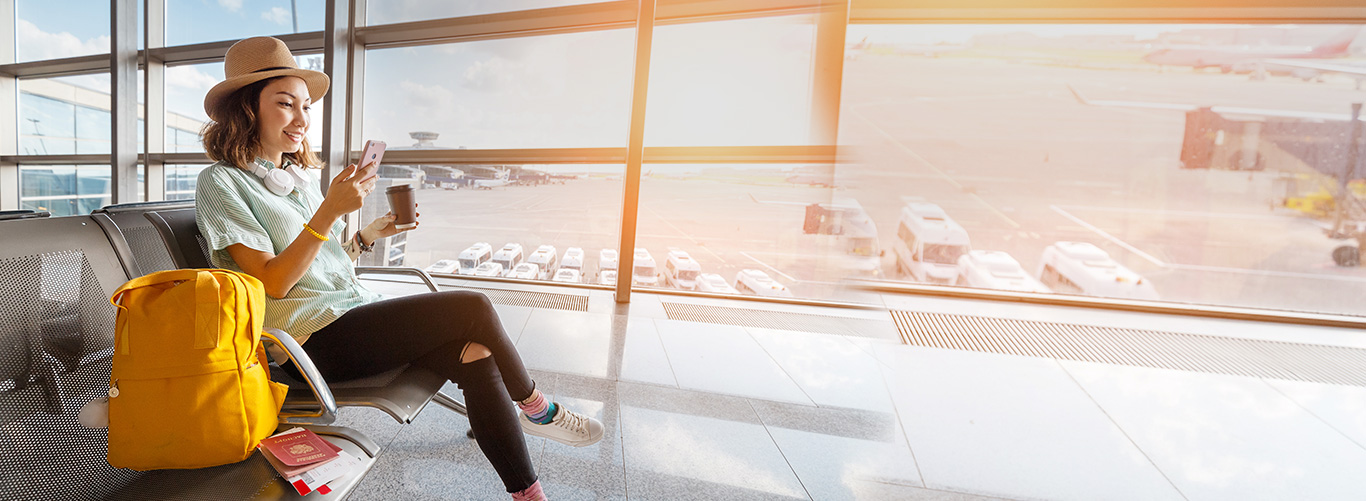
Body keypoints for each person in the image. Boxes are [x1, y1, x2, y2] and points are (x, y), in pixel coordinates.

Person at [194, 36, 602, 501]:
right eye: (286, 104)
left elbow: (320, 268)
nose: (302, 121)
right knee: (474, 307)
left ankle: (530, 496)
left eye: (306, 106)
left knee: (475, 353)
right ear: (247, 109)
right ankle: (538, 409)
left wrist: (367, 237)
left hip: (345, 319)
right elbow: (275, 283)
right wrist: (327, 212)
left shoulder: (294, 183)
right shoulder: (220, 183)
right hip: (306, 346)